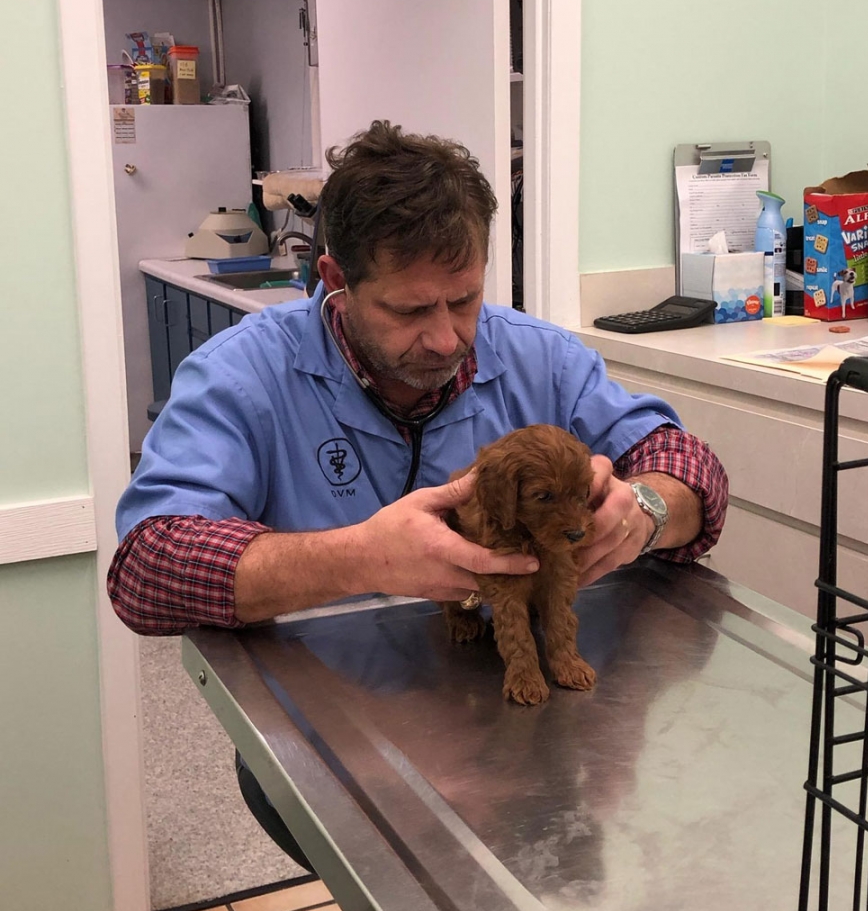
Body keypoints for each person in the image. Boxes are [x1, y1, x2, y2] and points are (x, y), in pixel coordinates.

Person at [108, 119, 728, 866]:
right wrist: (358, 557)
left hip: (533, 724)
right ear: (335, 281)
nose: (445, 339)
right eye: (409, 311)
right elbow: (147, 569)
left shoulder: (540, 357)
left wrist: (648, 509)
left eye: (464, 301)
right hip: (337, 728)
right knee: (401, 877)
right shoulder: (241, 377)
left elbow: (689, 468)